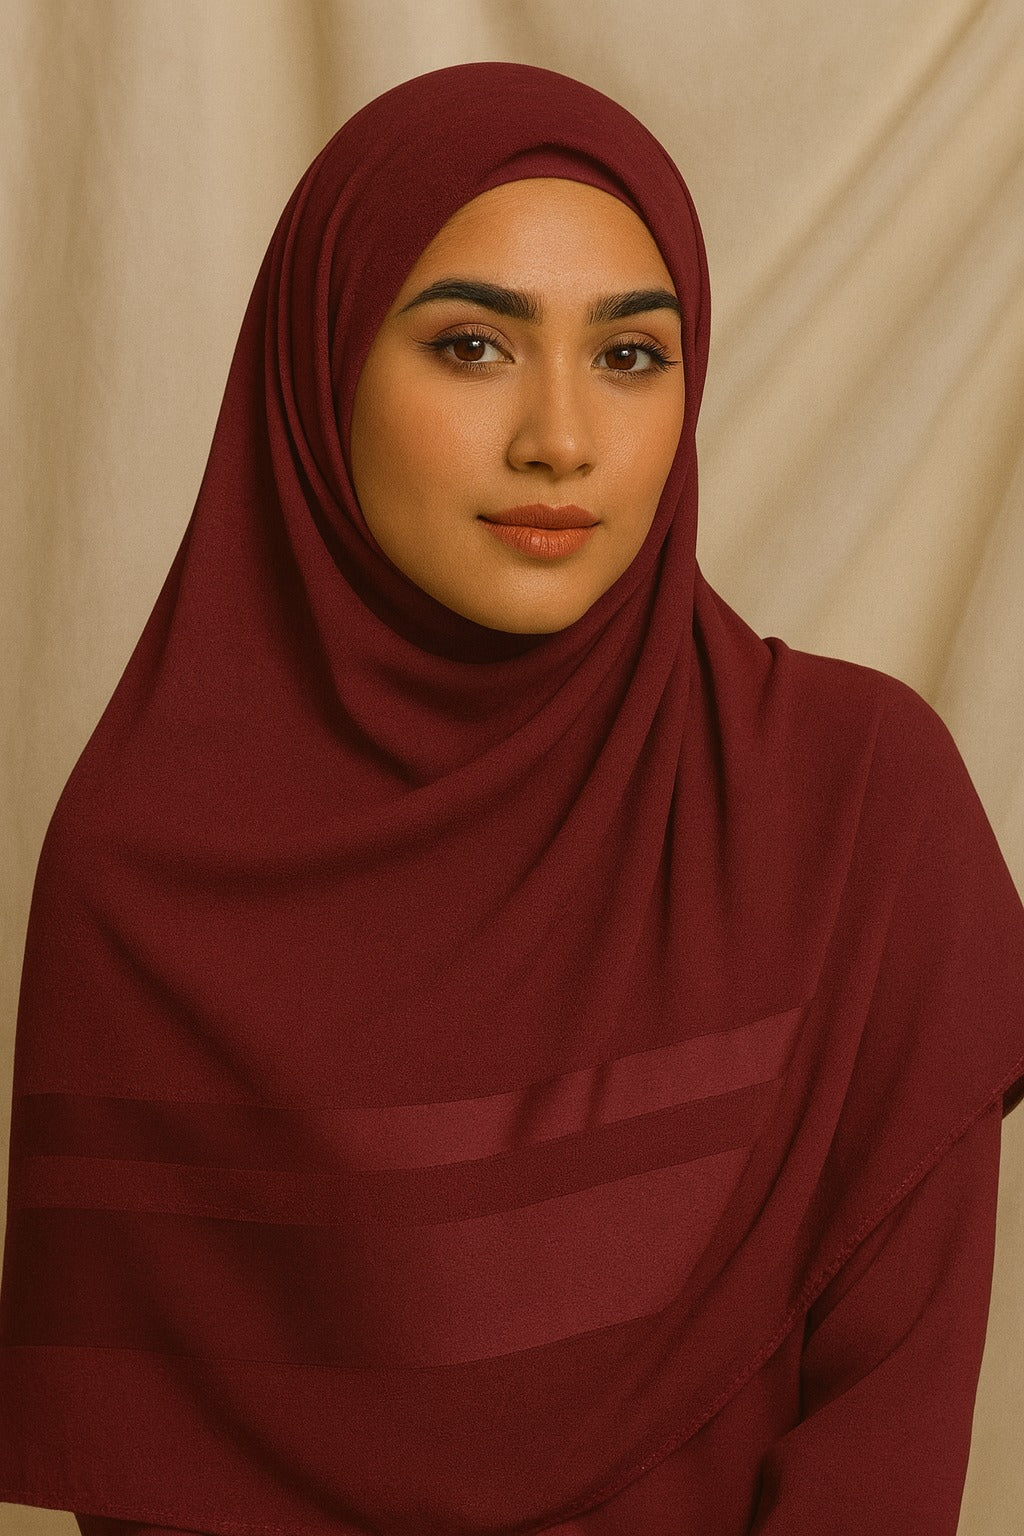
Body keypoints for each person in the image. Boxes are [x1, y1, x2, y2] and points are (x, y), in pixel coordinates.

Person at [0, 61, 1022, 1536]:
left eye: (630, 356)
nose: (562, 438)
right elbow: (164, 1476)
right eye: (474, 346)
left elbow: (884, 1451)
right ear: (320, 365)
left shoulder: (858, 809)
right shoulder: (144, 880)